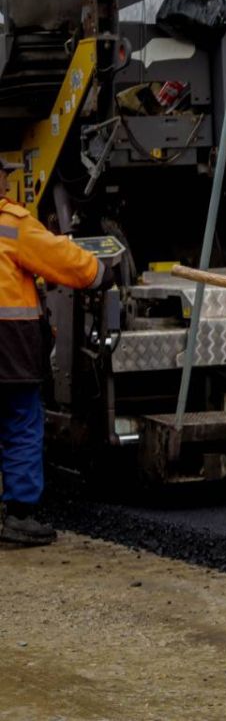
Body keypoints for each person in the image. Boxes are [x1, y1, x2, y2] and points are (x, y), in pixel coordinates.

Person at [0, 188, 112, 545]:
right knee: (20, 423)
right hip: (10, 349)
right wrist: (99, 272)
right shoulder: (12, 226)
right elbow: (62, 258)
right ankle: (18, 517)